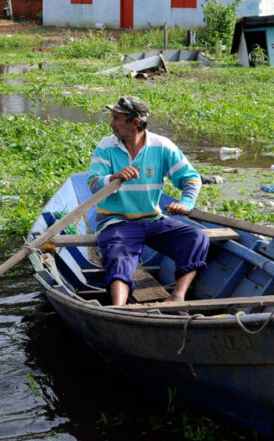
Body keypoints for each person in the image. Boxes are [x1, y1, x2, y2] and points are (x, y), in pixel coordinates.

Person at [87, 95, 209, 306]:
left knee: (196, 237)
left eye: (117, 118)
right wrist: (114, 177)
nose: (112, 124)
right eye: (112, 117)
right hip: (117, 221)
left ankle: (177, 297)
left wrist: (186, 203)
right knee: (119, 254)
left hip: (152, 220)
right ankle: (119, 308)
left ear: (135, 123)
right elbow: (93, 183)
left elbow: (191, 178)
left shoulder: (162, 146)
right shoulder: (106, 146)